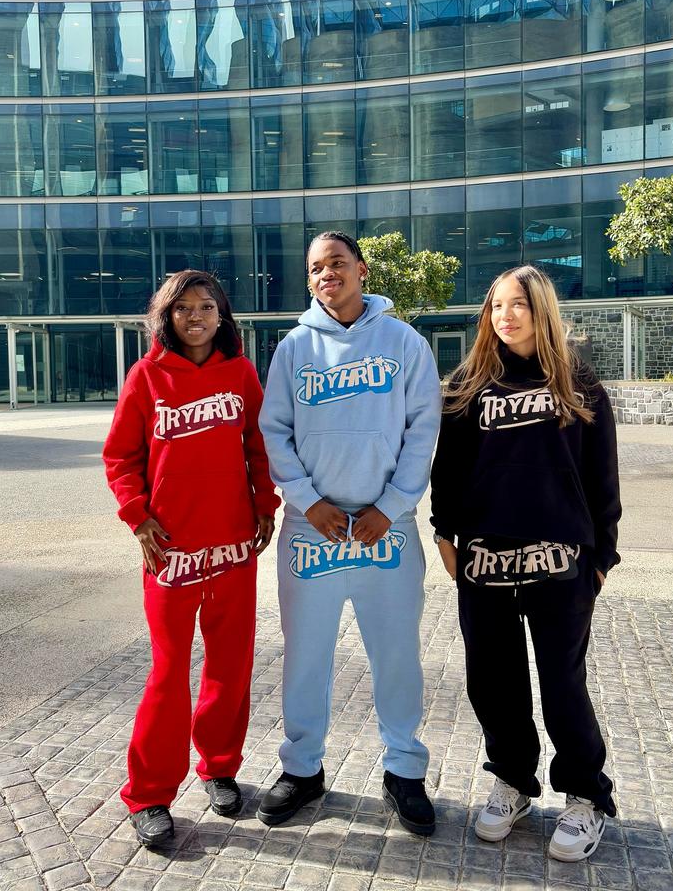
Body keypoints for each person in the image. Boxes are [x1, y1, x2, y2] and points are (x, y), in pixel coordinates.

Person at [430, 265, 620, 863]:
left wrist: (603, 555)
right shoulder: (469, 385)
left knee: (563, 682)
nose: (506, 316)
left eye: (519, 304)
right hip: (485, 560)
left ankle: (586, 795)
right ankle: (512, 780)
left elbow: (602, 474)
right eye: (496, 306)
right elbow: (448, 468)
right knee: (493, 679)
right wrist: (443, 532)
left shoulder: (578, 383)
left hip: (561, 559)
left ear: (542, 310)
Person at [258, 231, 441, 835]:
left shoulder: (405, 342)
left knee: (397, 655)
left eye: (337, 263)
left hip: (386, 531)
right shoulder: (293, 348)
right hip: (312, 532)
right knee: (305, 655)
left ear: (362, 270)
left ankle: (404, 769)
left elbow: (422, 430)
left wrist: (392, 505)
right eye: (316, 268)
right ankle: (302, 768)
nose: (326, 274)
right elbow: (274, 431)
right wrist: (307, 502)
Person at [103, 270, 279, 847]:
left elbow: (258, 447)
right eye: (184, 308)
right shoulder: (146, 375)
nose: (196, 316)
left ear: (222, 314)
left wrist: (264, 505)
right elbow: (121, 455)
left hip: (232, 545)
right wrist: (137, 516)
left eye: (207, 306)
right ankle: (149, 793)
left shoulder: (241, 372)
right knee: (168, 670)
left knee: (230, 663)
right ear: (167, 316)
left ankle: (220, 766)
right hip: (170, 551)